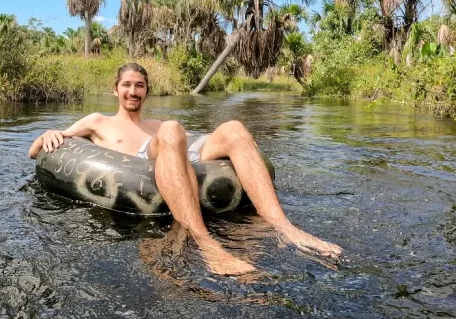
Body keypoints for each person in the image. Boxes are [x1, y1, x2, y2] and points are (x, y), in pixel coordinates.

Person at [28, 62, 343, 276]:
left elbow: (188, 144)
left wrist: (178, 137)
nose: (133, 92)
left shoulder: (157, 123)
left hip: (176, 148)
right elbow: (35, 152)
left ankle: (284, 227)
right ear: (116, 89)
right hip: (142, 160)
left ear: (146, 91)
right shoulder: (98, 122)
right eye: (127, 85)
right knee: (171, 129)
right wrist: (48, 134)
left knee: (233, 127)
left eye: (139, 86)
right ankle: (207, 244)